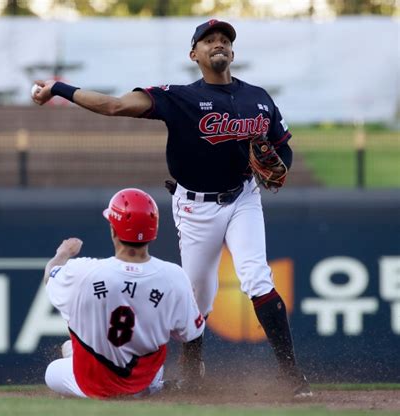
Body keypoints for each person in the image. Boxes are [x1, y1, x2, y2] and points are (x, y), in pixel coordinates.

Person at [33, 19, 312, 399]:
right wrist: (59, 88)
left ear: (233, 52)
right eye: (209, 39)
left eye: (225, 40)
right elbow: (115, 105)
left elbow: (282, 147)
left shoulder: (258, 98)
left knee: (256, 277)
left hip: (243, 196)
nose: (219, 44)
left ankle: (292, 376)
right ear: (193, 54)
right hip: (195, 207)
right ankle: (193, 374)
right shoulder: (179, 97)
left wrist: (283, 165)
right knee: (197, 296)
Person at [43, 188, 205, 399]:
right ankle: (153, 388)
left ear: (113, 229)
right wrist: (192, 378)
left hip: (93, 384)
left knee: (53, 371)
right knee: (149, 360)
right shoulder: (175, 276)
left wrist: (63, 252)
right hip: (142, 380)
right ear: (153, 230)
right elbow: (191, 335)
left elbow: (49, 276)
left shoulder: (83, 271)